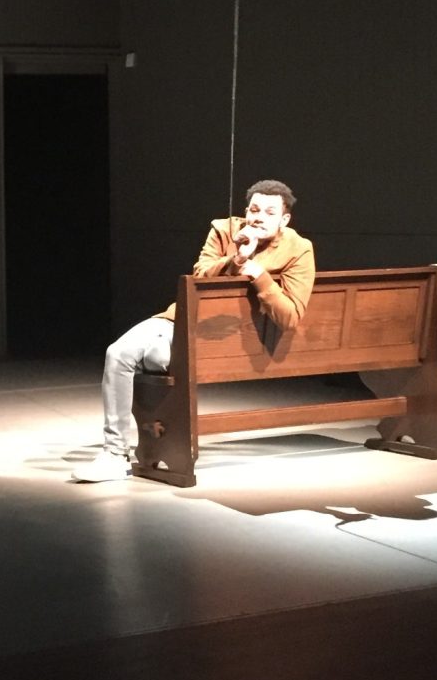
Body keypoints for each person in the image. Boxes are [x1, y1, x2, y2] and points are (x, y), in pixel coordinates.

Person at [72, 179, 316, 483]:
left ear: (284, 219)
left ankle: (155, 424)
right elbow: (199, 273)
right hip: (183, 321)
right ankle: (114, 453)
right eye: (254, 210)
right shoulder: (225, 230)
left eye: (269, 212)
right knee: (119, 352)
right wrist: (237, 258)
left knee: (158, 358)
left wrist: (259, 275)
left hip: (229, 338)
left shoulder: (299, 249)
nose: (258, 218)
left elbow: (291, 316)